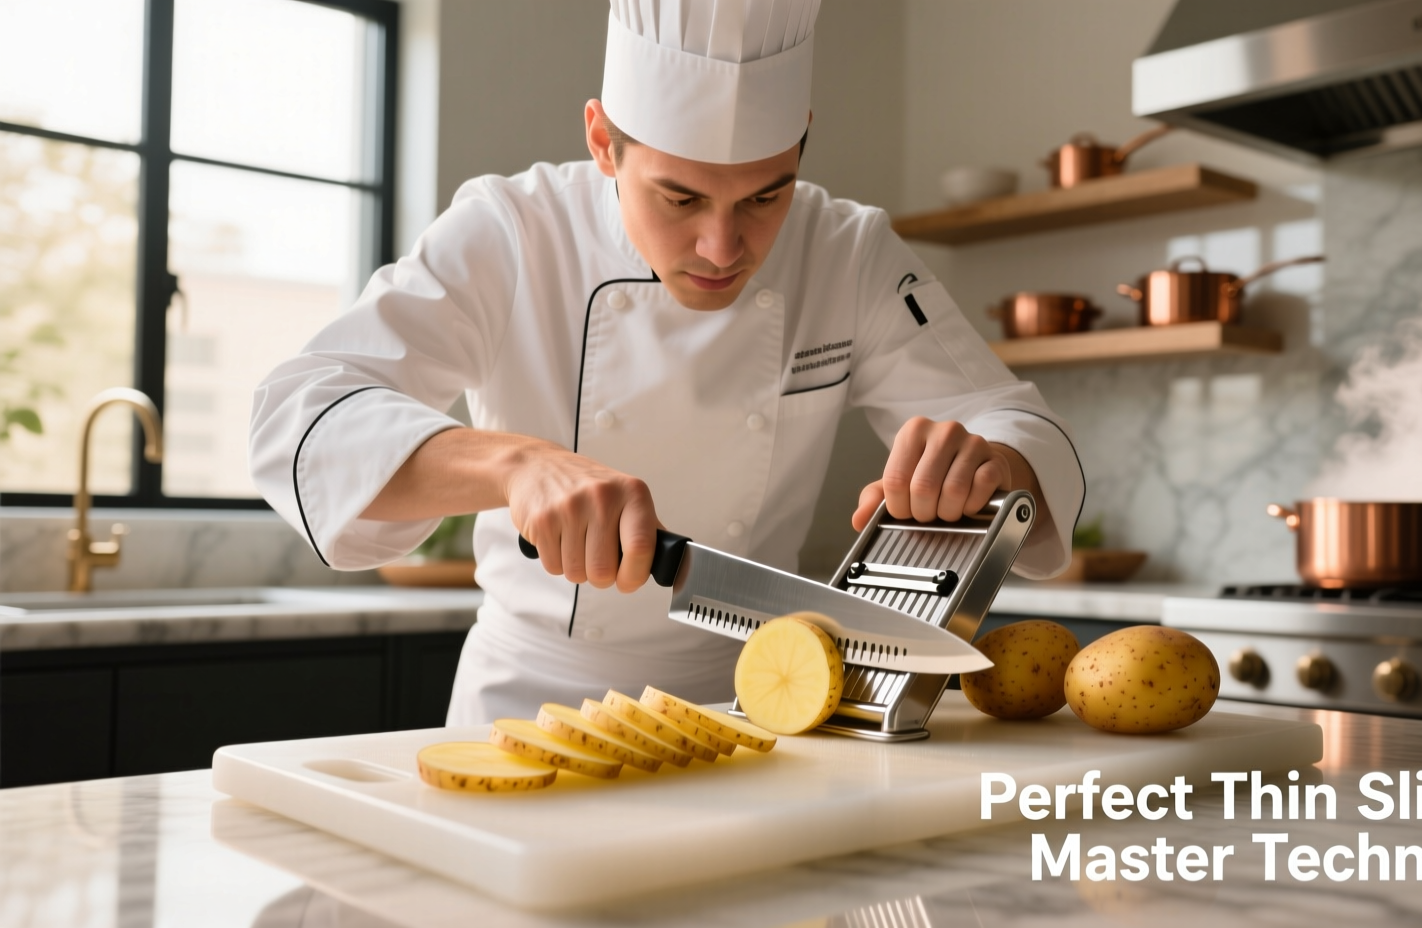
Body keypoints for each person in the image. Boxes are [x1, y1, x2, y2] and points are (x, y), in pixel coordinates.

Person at [249, 0, 1084, 725]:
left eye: (765, 196)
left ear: (802, 144)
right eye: (679, 198)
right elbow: (302, 418)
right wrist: (514, 464)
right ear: (603, 142)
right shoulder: (512, 230)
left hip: (762, 705)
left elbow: (1013, 420)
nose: (724, 248)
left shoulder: (848, 250)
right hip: (530, 702)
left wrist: (987, 461)